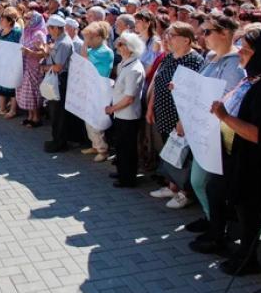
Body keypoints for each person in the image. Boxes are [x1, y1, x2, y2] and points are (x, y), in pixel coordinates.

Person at [209, 28, 261, 275]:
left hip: (257, 165)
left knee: (251, 212)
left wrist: (224, 117)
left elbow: (260, 135)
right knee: (244, 210)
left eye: (246, 51)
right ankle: (244, 253)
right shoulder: (255, 77)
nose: (240, 55)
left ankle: (248, 260)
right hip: (243, 159)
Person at [185, 15, 246, 250]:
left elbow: (230, 99)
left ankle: (218, 227)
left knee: (202, 181)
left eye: (207, 32)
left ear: (224, 33)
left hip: (220, 132)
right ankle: (212, 219)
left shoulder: (235, 64)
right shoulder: (210, 58)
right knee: (202, 181)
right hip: (203, 127)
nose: (202, 36)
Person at [148, 21, 204, 208]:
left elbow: (196, 94)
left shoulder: (195, 61)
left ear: (187, 40)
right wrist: (150, 107)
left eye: (172, 35)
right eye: (167, 35)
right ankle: (172, 186)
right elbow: (158, 83)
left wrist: (183, 120)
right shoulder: (168, 57)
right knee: (168, 151)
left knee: (183, 155)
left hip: (180, 117)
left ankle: (185, 192)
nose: (167, 39)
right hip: (163, 112)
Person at [106, 32, 146, 187]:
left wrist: (112, 108)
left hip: (128, 115)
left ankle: (128, 178)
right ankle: (122, 171)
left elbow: (129, 98)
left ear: (130, 48)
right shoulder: (125, 63)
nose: (118, 46)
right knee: (121, 145)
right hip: (120, 113)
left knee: (127, 147)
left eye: (121, 44)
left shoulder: (134, 68)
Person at [80, 21, 115, 162]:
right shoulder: (94, 49)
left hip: (100, 90)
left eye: (91, 38)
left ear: (100, 37)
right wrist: (87, 41)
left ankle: (103, 149)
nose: (88, 41)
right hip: (91, 87)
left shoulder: (105, 52)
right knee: (88, 118)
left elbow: (83, 57)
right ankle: (95, 145)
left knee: (95, 120)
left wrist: (85, 43)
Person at [42, 14, 73, 153]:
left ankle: (60, 142)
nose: (48, 30)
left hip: (60, 79)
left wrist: (43, 68)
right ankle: (57, 139)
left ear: (57, 29)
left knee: (58, 113)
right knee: (54, 111)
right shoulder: (58, 41)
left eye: (50, 27)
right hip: (56, 79)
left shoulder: (63, 43)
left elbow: (59, 66)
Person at [16, 11, 47, 128]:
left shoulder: (38, 33)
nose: (25, 20)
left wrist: (30, 52)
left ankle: (36, 118)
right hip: (24, 65)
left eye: (28, 18)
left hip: (34, 66)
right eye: (24, 17)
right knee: (26, 91)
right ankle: (29, 116)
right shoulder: (25, 31)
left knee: (34, 91)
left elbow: (43, 54)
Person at [0, 7, 22, 118]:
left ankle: (13, 110)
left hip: (12, 64)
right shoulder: (1, 31)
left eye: (3, 19)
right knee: (0, 84)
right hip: (2, 63)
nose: (0, 21)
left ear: (9, 21)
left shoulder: (17, 32)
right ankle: (2, 108)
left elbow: (19, 48)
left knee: (12, 87)